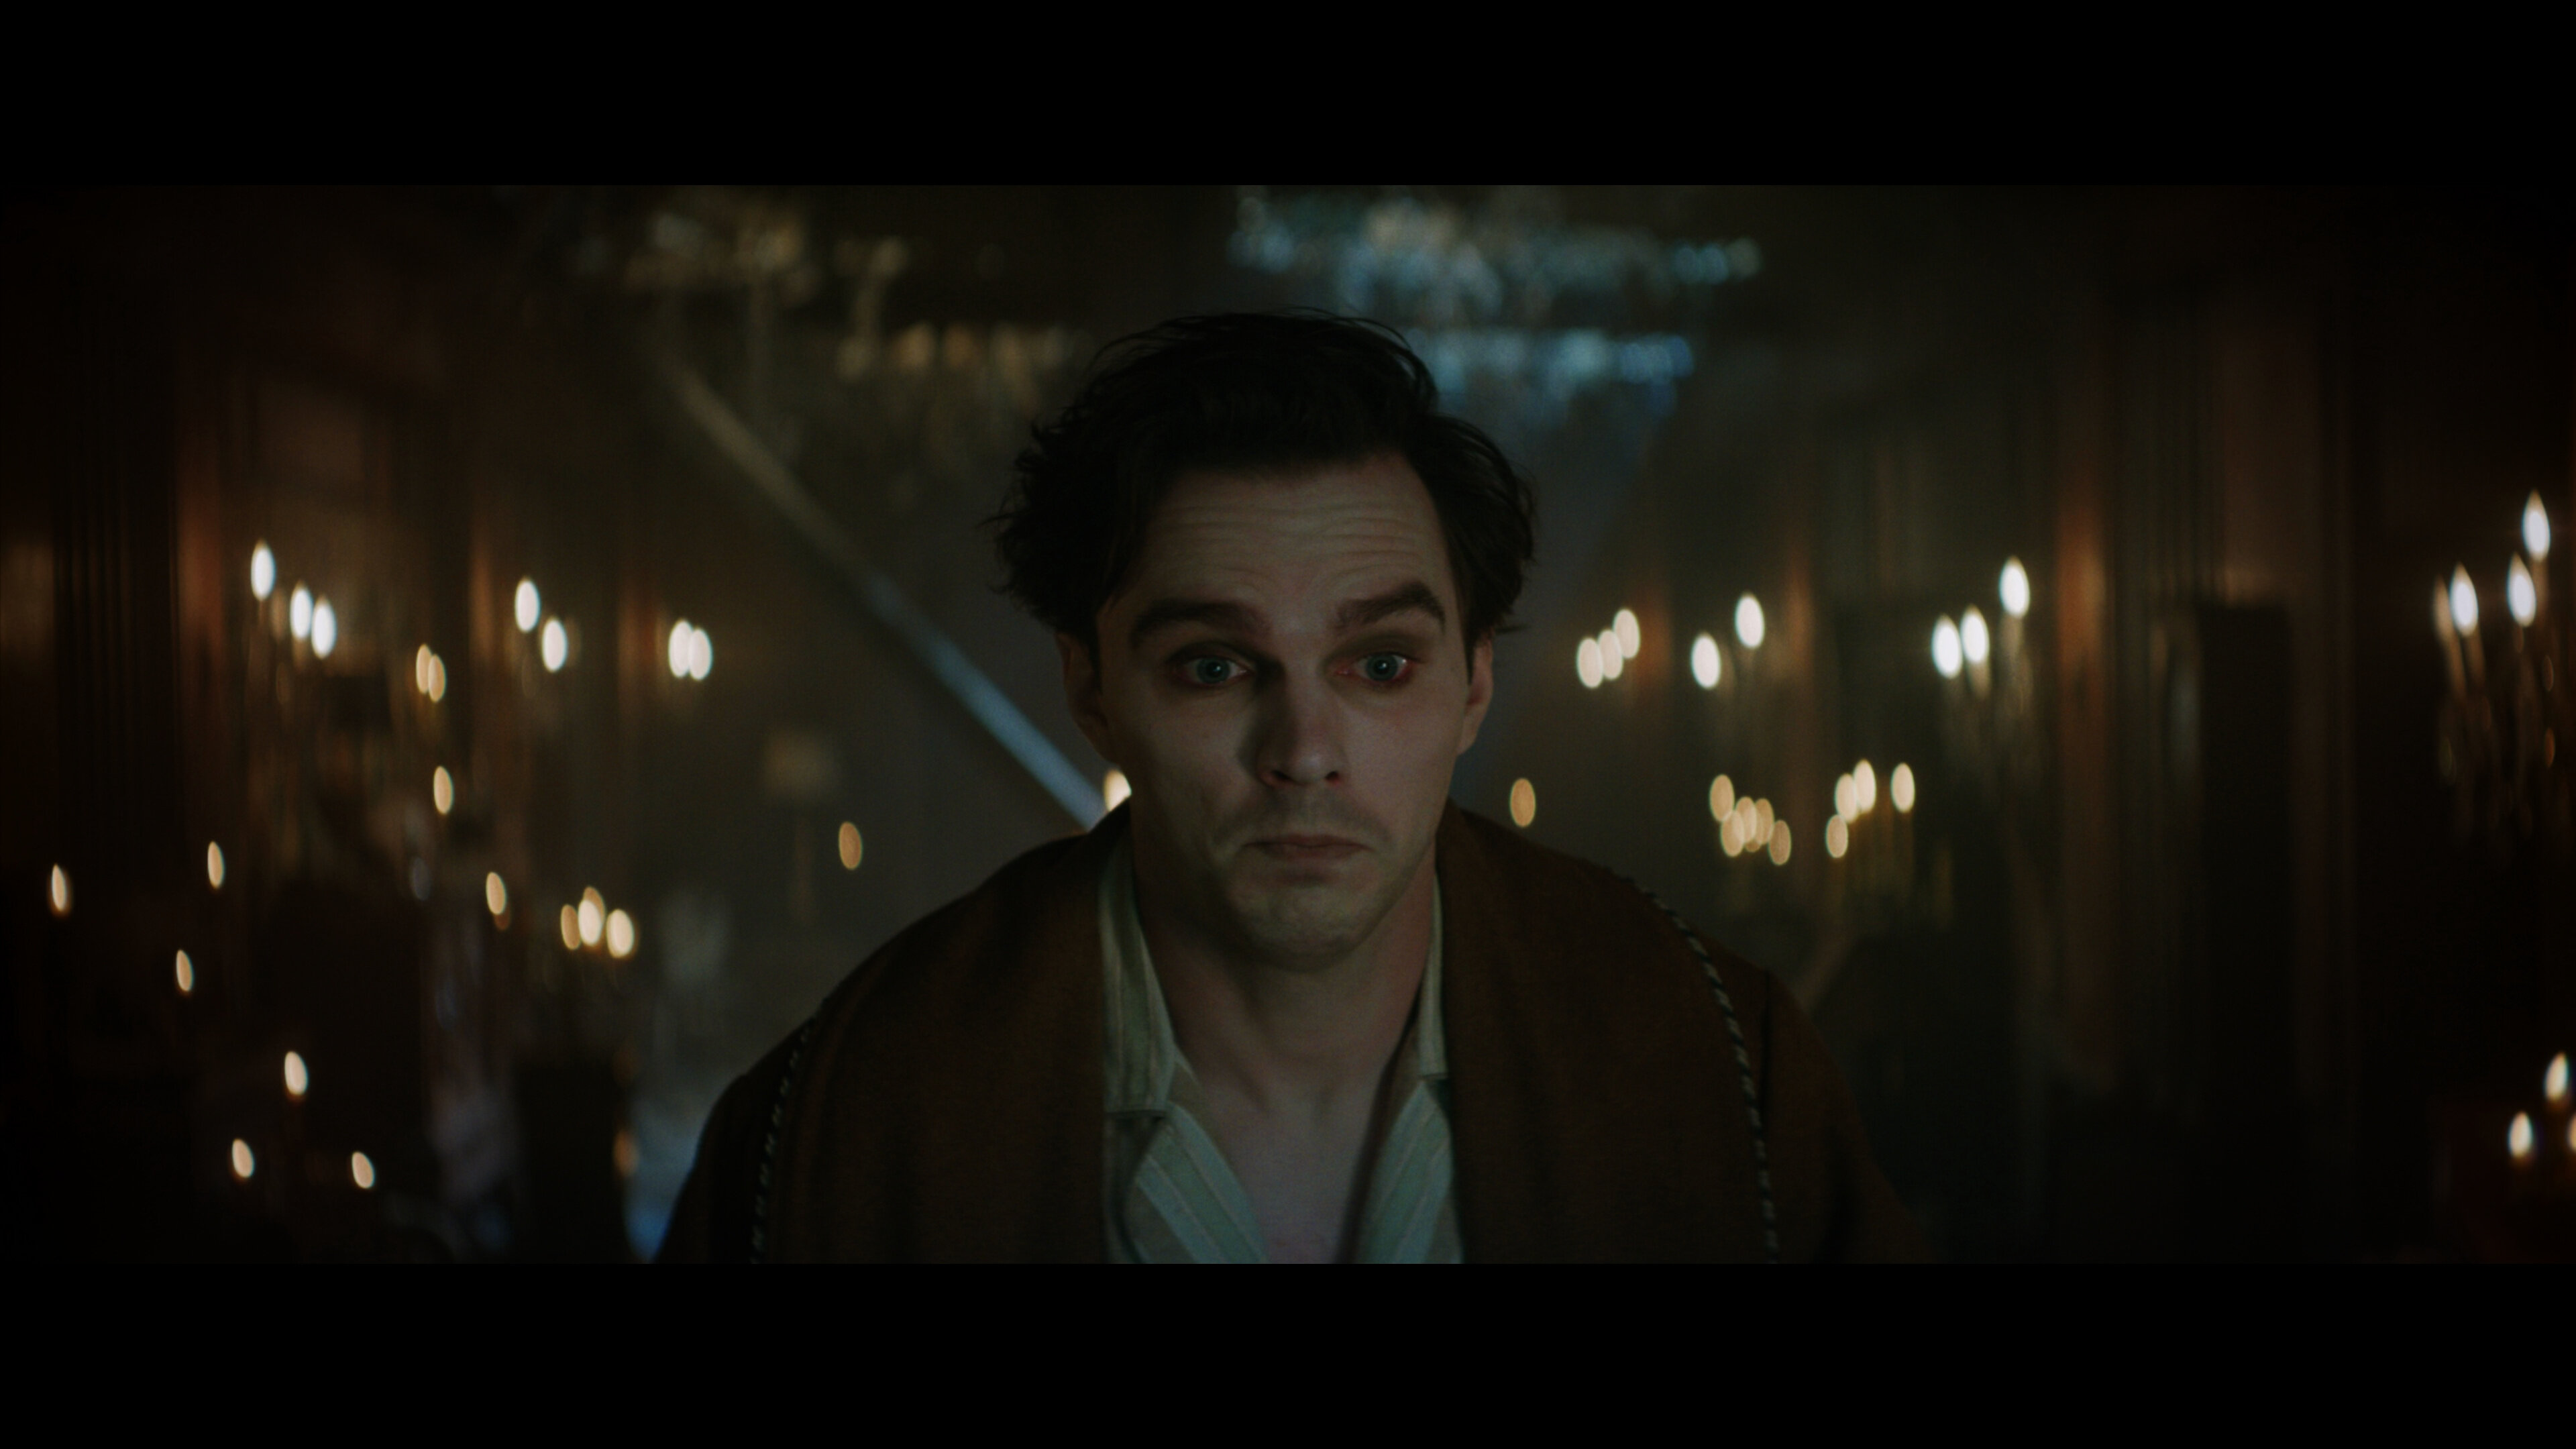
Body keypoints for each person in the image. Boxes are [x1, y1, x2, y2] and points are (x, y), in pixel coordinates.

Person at [659, 313, 1921, 1263]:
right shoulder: (844, 1126)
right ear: (1091, 687)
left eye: (1381, 664)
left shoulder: (1715, 1070)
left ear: (1475, 683)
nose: (1305, 749)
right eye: (1214, 667)